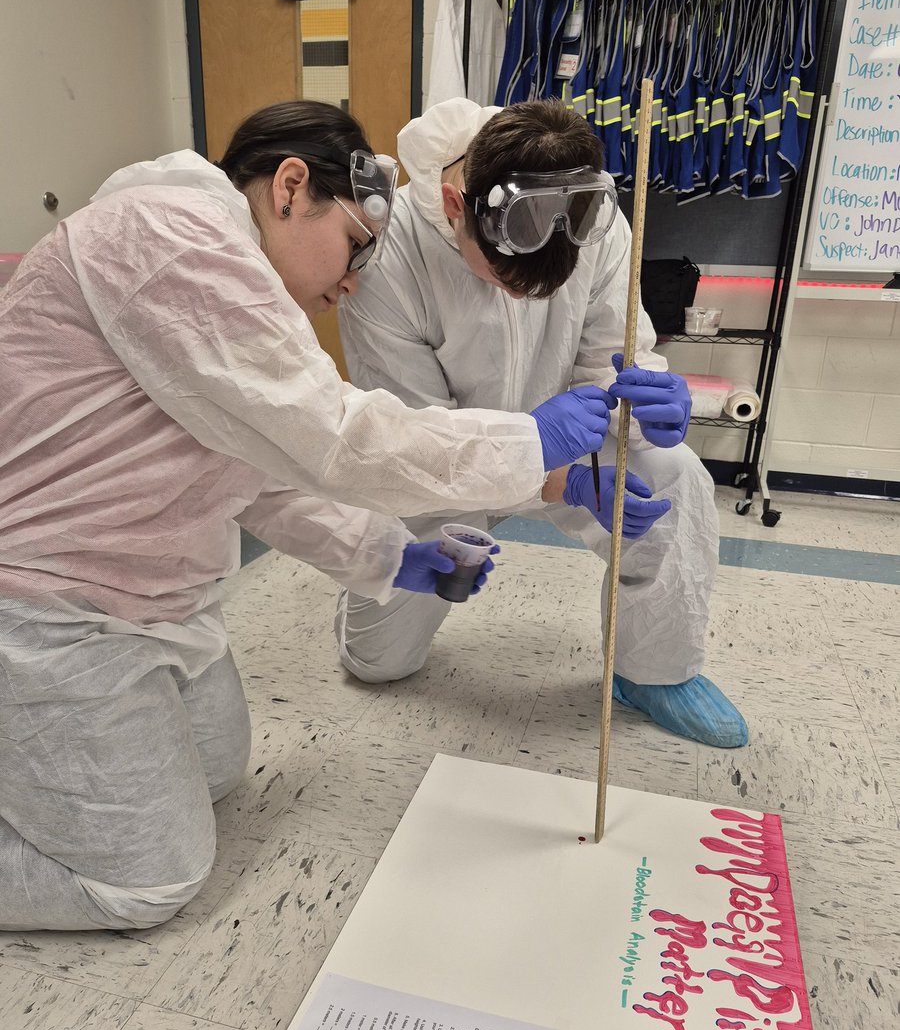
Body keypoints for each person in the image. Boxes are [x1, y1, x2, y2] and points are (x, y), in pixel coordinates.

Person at [0, 100, 618, 932]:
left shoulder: (217, 272)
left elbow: (258, 473)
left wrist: (392, 558)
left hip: (147, 604)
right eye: (355, 243)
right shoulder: (171, 237)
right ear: (291, 187)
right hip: (44, 605)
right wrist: (531, 439)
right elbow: (337, 435)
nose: (354, 279)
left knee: (218, 773)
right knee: (150, 881)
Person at [336, 97, 748, 751]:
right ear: (452, 207)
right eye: (505, 281)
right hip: (438, 465)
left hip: (572, 443)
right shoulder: (387, 258)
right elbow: (410, 439)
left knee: (676, 477)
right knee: (378, 662)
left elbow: (610, 362)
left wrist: (646, 409)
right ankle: (369, 610)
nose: (526, 301)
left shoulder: (594, 217)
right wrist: (554, 479)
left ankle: (654, 673)